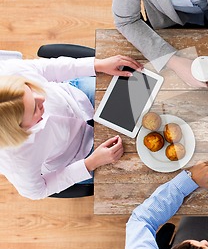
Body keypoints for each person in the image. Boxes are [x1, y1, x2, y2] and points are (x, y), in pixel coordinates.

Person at [0, 54, 143, 199]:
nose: (42, 98)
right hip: (78, 155)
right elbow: (37, 191)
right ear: (19, 130)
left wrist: (97, 64)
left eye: (31, 90)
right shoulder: (15, 159)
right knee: (136, 166)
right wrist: (90, 164)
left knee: (141, 92)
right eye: (35, 109)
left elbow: (47, 68)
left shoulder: (9, 71)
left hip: (76, 97)